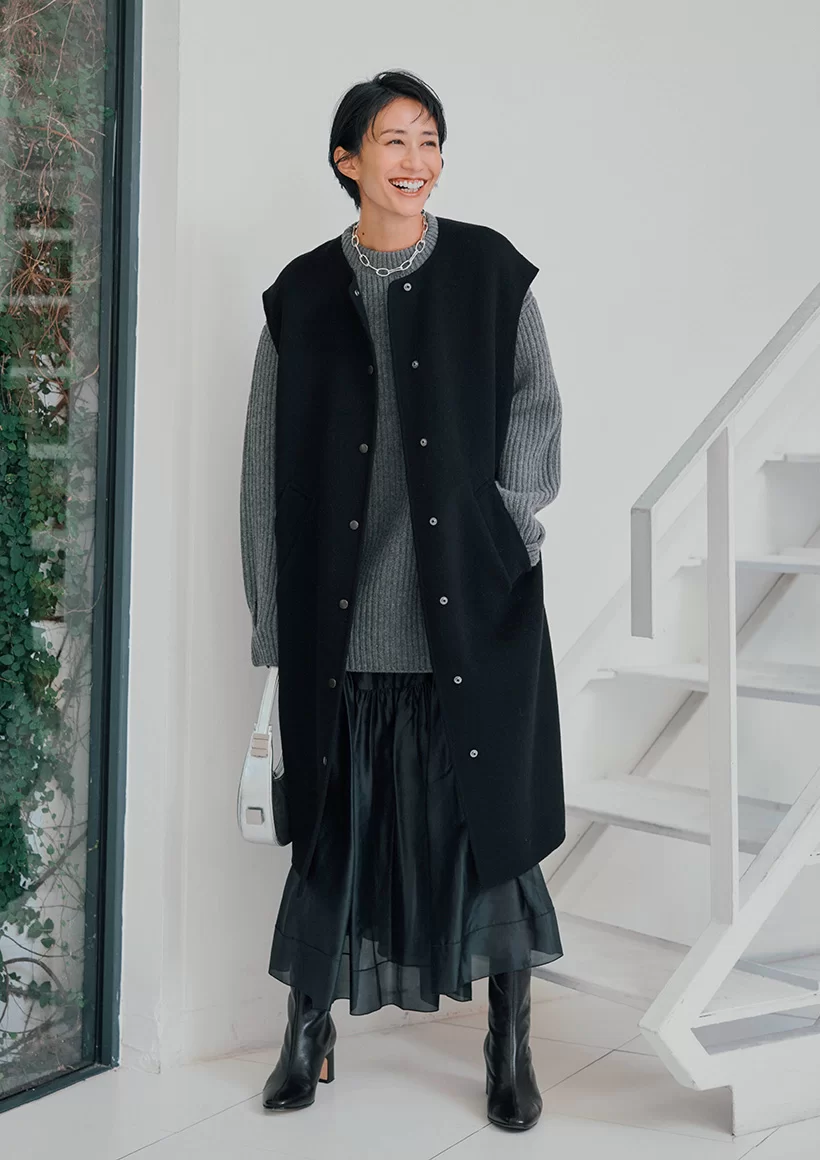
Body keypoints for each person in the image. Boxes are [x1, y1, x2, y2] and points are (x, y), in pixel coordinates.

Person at [240, 68, 565, 1132]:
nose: (415, 159)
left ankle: (508, 1042)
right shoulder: (299, 296)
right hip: (344, 626)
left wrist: (507, 531)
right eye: (393, 140)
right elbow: (262, 473)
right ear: (347, 160)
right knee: (332, 831)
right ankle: (307, 1031)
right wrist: (273, 623)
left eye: (428, 139)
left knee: (490, 831)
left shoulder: (489, 272)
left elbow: (535, 405)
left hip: (472, 616)